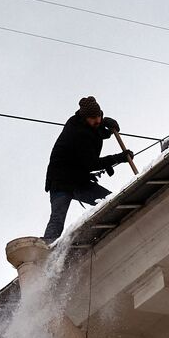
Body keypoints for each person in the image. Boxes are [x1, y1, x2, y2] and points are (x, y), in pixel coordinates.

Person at [42, 96, 133, 242]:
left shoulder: (87, 124)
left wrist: (106, 125)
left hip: (79, 179)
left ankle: (117, 230)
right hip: (60, 182)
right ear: (85, 118)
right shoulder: (77, 132)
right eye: (93, 118)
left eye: (98, 117)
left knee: (108, 202)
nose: (97, 120)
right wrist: (118, 158)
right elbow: (91, 163)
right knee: (57, 219)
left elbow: (95, 132)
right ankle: (47, 246)